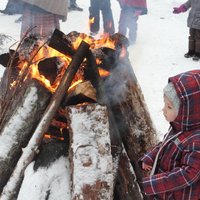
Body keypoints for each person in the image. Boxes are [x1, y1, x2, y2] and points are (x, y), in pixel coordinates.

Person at [139, 70, 200, 200]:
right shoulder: (181, 126)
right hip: (167, 193)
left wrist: (154, 184)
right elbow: (167, 144)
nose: (163, 109)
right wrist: (151, 156)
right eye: (164, 104)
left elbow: (189, 174)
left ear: (188, 111)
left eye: (169, 107)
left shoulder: (196, 141)